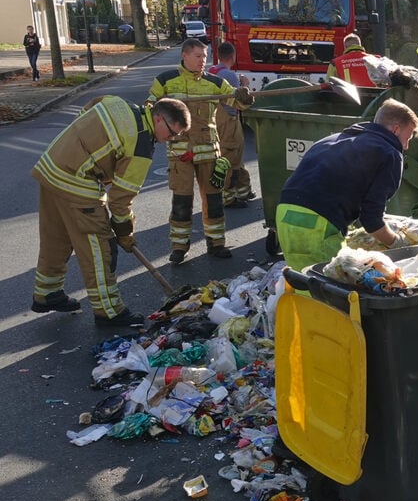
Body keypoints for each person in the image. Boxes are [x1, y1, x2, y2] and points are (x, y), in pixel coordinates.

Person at [31, 96, 191, 327]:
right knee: (99, 248)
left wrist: (87, 147)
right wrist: (125, 235)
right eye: (171, 133)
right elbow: (120, 201)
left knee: (57, 237)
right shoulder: (140, 145)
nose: (171, 140)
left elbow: (88, 107)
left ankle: (47, 292)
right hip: (77, 181)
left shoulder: (118, 103)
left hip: (51, 167)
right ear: (158, 119)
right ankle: (108, 311)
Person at [276, 99, 418, 271]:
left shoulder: (334, 138)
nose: (405, 146)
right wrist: (398, 243)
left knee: (303, 282)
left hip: (284, 214)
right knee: (332, 289)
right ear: (396, 129)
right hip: (318, 223)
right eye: (408, 137)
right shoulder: (389, 152)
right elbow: (372, 221)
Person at [147, 38, 254, 265]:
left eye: (205, 57)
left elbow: (238, 103)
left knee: (214, 201)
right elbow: (150, 108)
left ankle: (217, 243)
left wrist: (245, 96)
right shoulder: (165, 81)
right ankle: (178, 247)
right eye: (198, 56)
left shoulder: (214, 83)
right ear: (184, 55)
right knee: (181, 203)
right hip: (180, 154)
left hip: (209, 153)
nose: (202, 61)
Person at [208, 42, 255, 208]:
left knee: (235, 156)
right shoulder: (230, 76)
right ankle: (229, 197)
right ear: (233, 57)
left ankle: (244, 190)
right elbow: (240, 100)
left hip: (215, 119)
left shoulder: (212, 71)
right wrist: (245, 85)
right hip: (229, 119)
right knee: (232, 158)